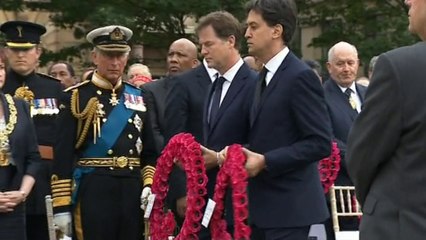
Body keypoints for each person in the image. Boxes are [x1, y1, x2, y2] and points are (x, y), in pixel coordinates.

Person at [51, 25, 158, 240]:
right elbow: (62, 156)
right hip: (93, 191)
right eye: (109, 55)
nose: (115, 62)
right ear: (95, 57)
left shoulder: (140, 97)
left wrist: (148, 184)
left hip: (131, 190)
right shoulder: (74, 98)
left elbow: (150, 151)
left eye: (120, 55)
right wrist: (61, 208)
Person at [243, 0, 332, 239]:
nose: (247, 33)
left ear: (276, 30)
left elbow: (320, 142)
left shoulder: (300, 76)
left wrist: (266, 161)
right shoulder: (264, 77)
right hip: (264, 210)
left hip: (291, 211)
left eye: (254, 26)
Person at [346, 0, 426, 239]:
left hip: (401, 225)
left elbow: (362, 153)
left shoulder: (399, 67)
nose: (407, 1)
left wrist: (376, 202)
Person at [193, 11, 257, 238]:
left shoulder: (254, 84)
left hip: (242, 202)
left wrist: (220, 157)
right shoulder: (215, 85)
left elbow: (261, 142)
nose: (203, 52)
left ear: (231, 41)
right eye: (201, 46)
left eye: (209, 44)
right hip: (212, 200)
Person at [0, 20, 63, 240]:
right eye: (15, 50)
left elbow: (64, 139)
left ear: (38, 52)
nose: (20, 55)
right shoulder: (2, 88)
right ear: (6, 51)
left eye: (26, 49)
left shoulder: (54, 88)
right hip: (8, 179)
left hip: (46, 179)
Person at [323, 41, 367, 239]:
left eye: (351, 62)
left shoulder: (371, 94)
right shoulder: (320, 97)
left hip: (371, 190)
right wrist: (363, 160)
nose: (346, 68)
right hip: (339, 189)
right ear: (329, 67)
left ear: (358, 64)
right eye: (340, 64)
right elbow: (327, 138)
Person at [0, 48, 41, 240]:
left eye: (0, 67)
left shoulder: (19, 106)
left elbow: (33, 157)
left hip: (13, 202)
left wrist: (22, 193)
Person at [141, 38, 199, 153]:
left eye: (180, 55)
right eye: (170, 55)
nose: (173, 60)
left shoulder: (206, 90)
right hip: (164, 161)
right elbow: (153, 134)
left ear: (194, 64)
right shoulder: (151, 90)